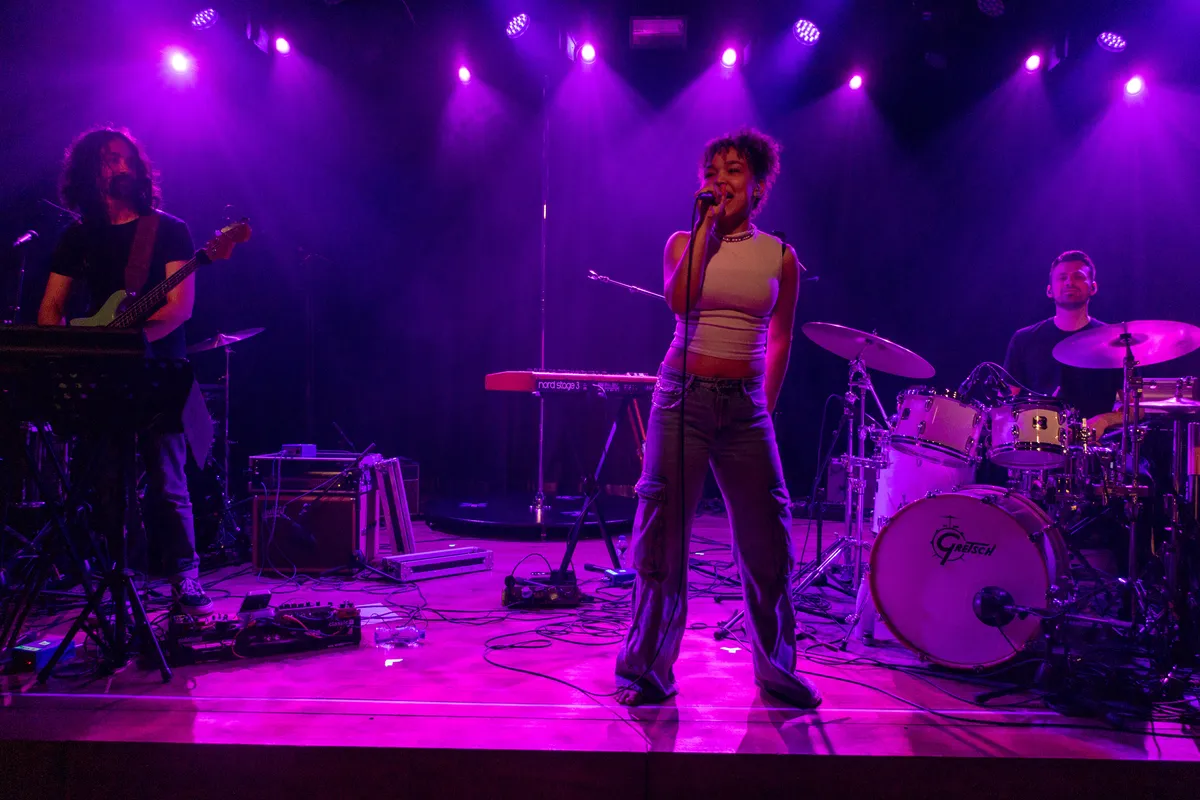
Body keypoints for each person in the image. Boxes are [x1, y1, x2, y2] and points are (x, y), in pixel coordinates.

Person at [615, 129, 820, 708]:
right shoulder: (684, 240)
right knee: (662, 537)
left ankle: (777, 670)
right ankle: (648, 670)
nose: (720, 180)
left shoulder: (780, 256)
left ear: (757, 184)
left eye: (733, 170)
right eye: (712, 171)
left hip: (746, 408)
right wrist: (706, 228)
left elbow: (780, 337)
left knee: (768, 539)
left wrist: (764, 406)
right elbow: (679, 301)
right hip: (681, 400)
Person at [37, 127, 213, 616]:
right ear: (89, 170)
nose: (123, 166)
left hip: (159, 370)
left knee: (168, 481)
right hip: (101, 374)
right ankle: (122, 578)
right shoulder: (78, 236)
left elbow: (179, 308)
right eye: (110, 158)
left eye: (129, 158)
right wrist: (67, 352)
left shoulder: (169, 229)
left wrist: (131, 342)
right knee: (110, 483)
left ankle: (185, 577)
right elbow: (50, 309)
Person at [1003, 251, 1123, 433]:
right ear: (1049, 290)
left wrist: (1105, 420)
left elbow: (1136, 409)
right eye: (1062, 277)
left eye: (1078, 277)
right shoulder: (1024, 339)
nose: (1069, 282)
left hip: (1095, 445)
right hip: (1038, 441)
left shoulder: (1114, 341)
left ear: (1093, 287)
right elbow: (1005, 403)